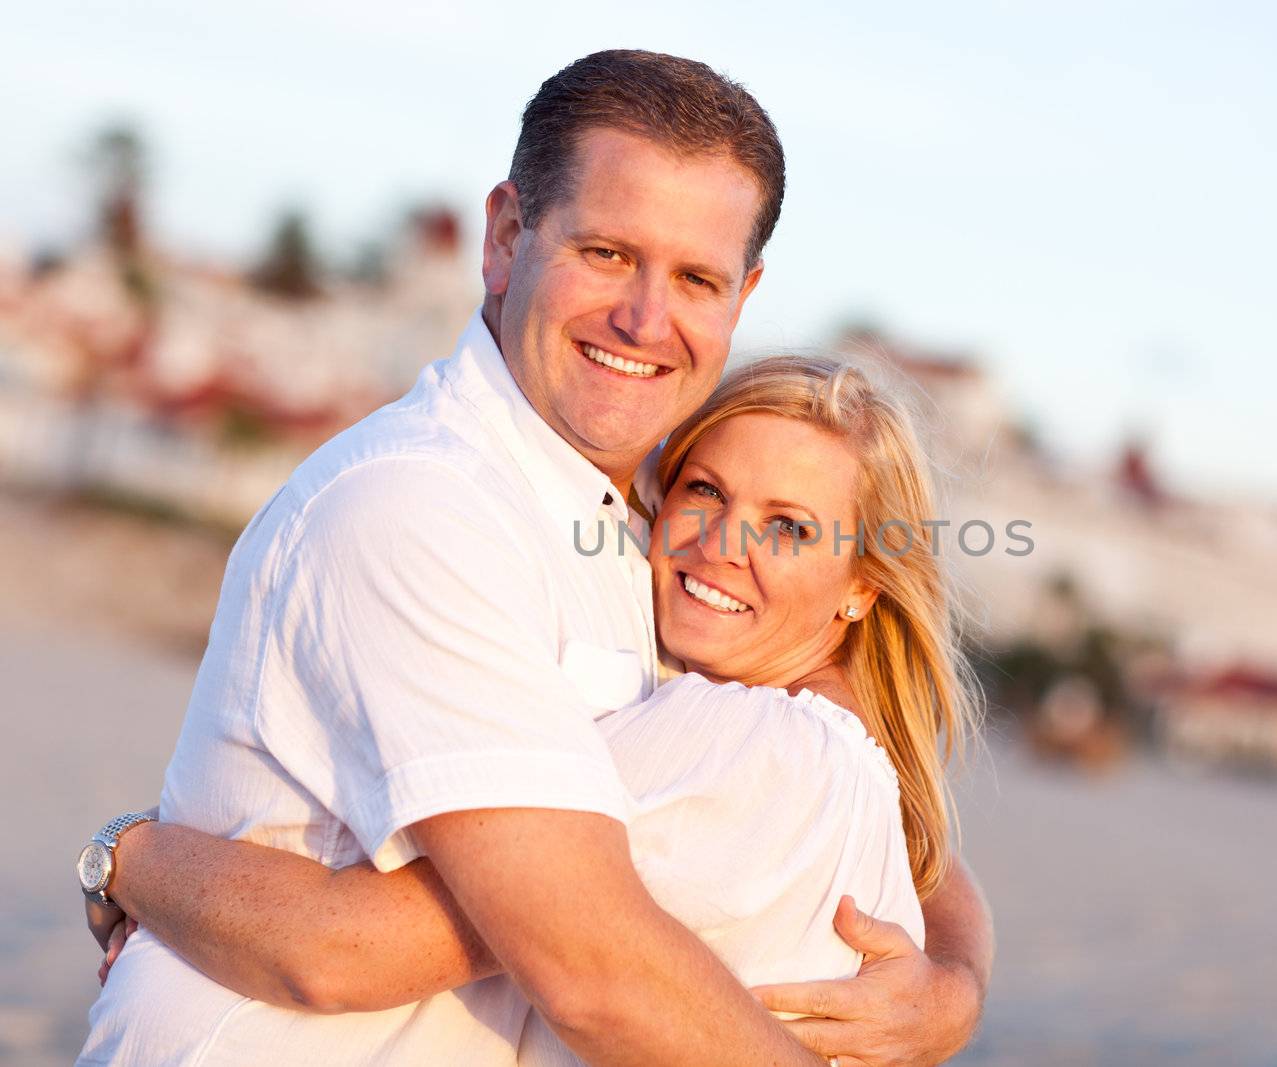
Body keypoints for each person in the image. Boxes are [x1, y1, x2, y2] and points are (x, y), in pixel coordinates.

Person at [75, 50, 992, 1066]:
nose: (646, 318)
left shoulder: (644, 534)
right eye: (605, 252)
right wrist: (131, 856)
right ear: (507, 235)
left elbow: (858, 807)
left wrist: (954, 980)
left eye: (696, 277)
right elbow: (563, 960)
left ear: (744, 296)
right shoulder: (422, 506)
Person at [93, 355, 985, 1067]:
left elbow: (340, 946)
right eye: (706, 490)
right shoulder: (849, 765)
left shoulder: (738, 742)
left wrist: (129, 855)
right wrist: (961, 984)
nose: (721, 545)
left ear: (863, 588)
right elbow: (939, 871)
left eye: (789, 527)